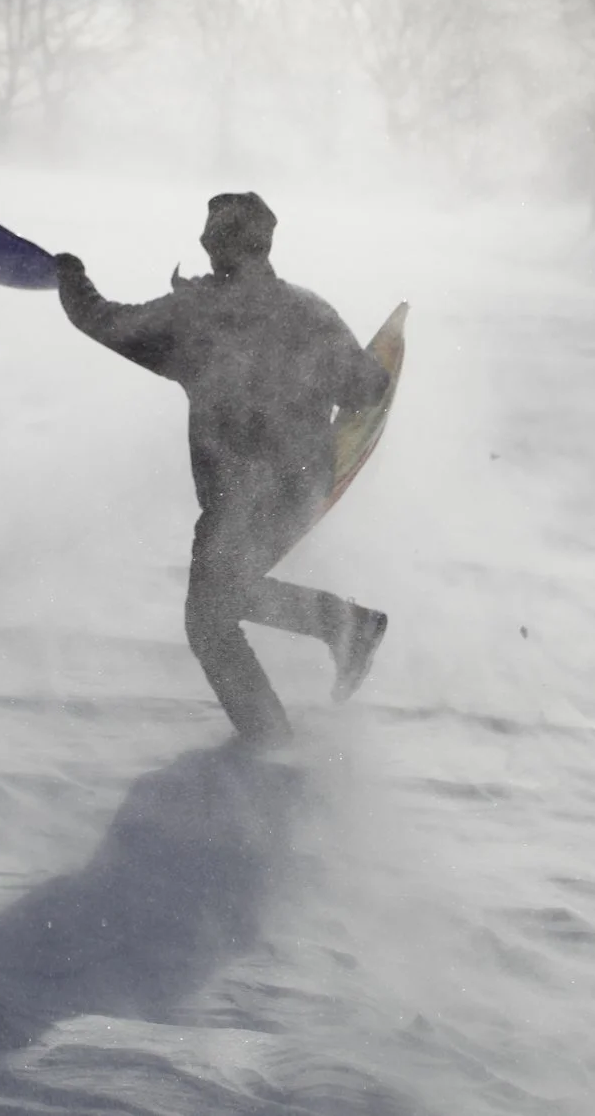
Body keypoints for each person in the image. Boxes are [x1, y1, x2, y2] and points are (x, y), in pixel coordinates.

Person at [54, 192, 391, 748]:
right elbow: (368, 389)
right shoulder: (309, 310)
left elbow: (104, 321)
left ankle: (270, 739)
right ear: (266, 245)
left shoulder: (194, 315)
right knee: (223, 601)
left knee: (209, 618)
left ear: (211, 245)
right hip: (301, 486)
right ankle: (341, 631)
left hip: (237, 495)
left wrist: (69, 275)